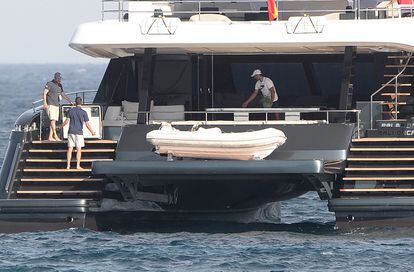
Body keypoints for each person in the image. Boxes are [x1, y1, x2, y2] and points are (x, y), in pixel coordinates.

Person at [60, 97, 96, 170]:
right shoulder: (83, 112)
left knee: (70, 149)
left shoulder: (71, 111)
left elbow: (66, 121)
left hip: (71, 132)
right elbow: (87, 124)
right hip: (79, 132)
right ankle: (77, 165)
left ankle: (68, 166)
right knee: (79, 149)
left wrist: (60, 127)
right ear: (81, 103)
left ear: (75, 103)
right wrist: (92, 132)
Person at [43, 72, 73, 141]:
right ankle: (55, 136)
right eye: (59, 79)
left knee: (53, 121)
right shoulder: (49, 84)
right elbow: (44, 93)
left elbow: (62, 94)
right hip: (50, 104)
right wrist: (45, 102)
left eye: (60, 79)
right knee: (53, 120)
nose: (60, 80)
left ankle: (50, 137)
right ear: (55, 78)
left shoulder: (60, 85)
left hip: (56, 104)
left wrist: (69, 101)